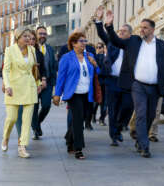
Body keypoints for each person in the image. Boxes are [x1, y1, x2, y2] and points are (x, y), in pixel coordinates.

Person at [104, 10, 164, 158]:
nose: (142, 30)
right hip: (137, 85)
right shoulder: (134, 41)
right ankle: (144, 146)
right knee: (141, 113)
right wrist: (109, 26)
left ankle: (140, 139)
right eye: (141, 27)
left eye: (145, 28)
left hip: (155, 87)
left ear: (153, 29)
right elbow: (116, 41)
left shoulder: (162, 46)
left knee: (150, 116)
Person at [53, 32, 99, 160]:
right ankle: (79, 149)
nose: (84, 43)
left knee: (80, 119)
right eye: (81, 41)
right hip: (73, 94)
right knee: (78, 121)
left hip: (87, 94)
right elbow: (61, 78)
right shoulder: (66, 58)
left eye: (85, 41)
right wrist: (57, 94)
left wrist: (94, 64)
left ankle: (69, 139)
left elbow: (98, 72)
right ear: (73, 43)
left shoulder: (89, 56)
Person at [93, 6, 134, 147]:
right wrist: (99, 20)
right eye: (119, 31)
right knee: (112, 108)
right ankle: (114, 136)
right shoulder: (112, 42)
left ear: (130, 34)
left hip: (127, 82)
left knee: (128, 106)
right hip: (112, 81)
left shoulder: (133, 45)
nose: (121, 34)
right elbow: (102, 34)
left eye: (124, 32)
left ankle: (119, 126)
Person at [1, 27, 40, 158]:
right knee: (12, 118)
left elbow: (34, 70)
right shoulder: (9, 50)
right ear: (18, 37)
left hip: (29, 88)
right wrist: (7, 86)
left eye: (29, 36)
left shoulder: (33, 50)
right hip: (13, 88)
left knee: (27, 119)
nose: (29, 39)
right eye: (26, 36)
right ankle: (5, 137)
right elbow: (5, 70)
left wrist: (38, 83)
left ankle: (22, 146)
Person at [14, 30, 47, 141]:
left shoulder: (37, 53)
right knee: (18, 113)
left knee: (31, 110)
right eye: (27, 37)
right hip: (18, 86)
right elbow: (7, 69)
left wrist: (41, 81)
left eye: (33, 39)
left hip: (32, 85)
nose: (30, 40)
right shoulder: (14, 51)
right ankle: (21, 137)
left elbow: (42, 69)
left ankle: (27, 135)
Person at [34, 26, 57, 138]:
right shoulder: (31, 48)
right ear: (36, 35)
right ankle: (35, 129)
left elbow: (53, 65)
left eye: (44, 33)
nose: (42, 36)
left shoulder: (50, 49)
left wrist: (53, 81)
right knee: (34, 108)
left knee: (47, 105)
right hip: (33, 84)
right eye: (40, 33)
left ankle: (37, 122)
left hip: (47, 83)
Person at [92, 42, 108, 126]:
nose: (98, 49)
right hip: (98, 83)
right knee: (97, 102)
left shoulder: (108, 57)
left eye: (100, 47)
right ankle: (93, 115)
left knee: (104, 102)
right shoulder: (96, 57)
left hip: (106, 83)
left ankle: (102, 119)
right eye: (97, 47)